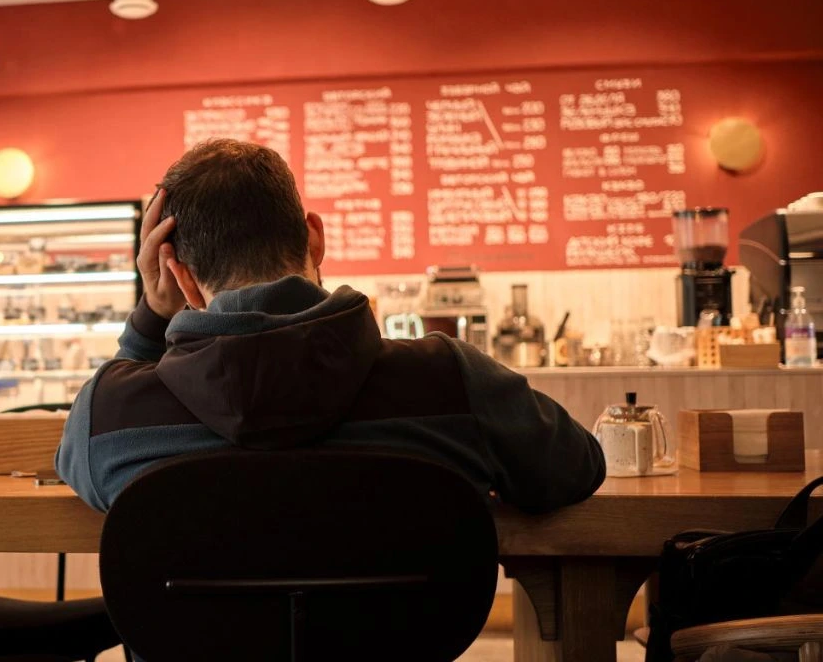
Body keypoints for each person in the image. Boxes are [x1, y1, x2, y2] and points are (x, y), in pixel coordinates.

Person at [55, 139, 605, 513]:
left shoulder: (109, 418)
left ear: (178, 276)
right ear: (314, 238)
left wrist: (151, 323)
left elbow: (75, 461)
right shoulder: (452, 381)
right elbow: (578, 468)